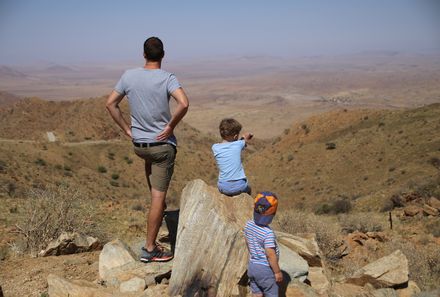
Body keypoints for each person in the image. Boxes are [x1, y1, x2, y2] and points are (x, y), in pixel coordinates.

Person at [106, 37, 189, 262]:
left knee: (155, 194)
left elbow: (110, 103)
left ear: (144, 54)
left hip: (140, 146)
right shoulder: (167, 78)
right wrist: (170, 126)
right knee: (157, 198)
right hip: (162, 148)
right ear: (163, 55)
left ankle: (154, 234)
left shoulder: (129, 76)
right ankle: (150, 248)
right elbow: (184, 103)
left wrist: (126, 129)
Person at [244, 192, 282, 297]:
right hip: (265, 269)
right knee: (271, 292)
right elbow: (270, 254)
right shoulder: (268, 233)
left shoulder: (249, 224)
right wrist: (277, 272)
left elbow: (247, 241)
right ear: (272, 214)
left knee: (257, 293)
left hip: (252, 266)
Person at [211, 118, 252, 196]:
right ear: (235, 136)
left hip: (223, 187)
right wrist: (245, 137)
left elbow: (234, 145)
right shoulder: (239, 144)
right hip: (240, 186)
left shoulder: (215, 147)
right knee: (249, 189)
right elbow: (243, 141)